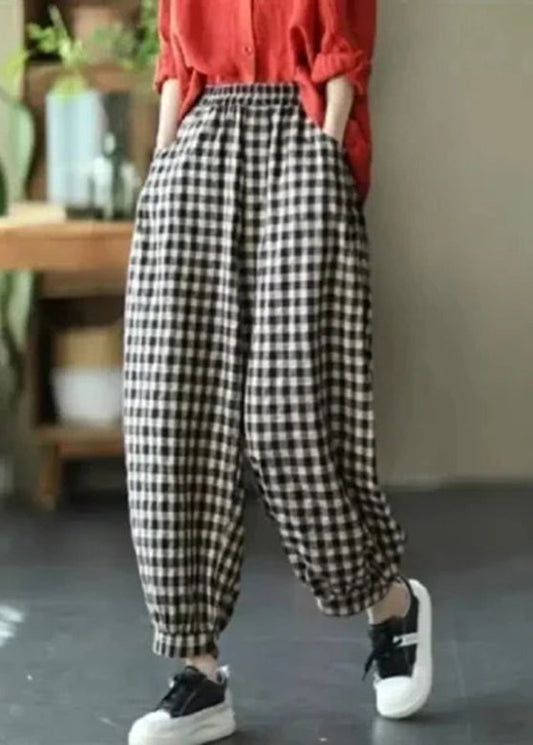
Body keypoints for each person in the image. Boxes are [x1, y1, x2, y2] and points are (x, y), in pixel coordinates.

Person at [122, 1, 433, 743]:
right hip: (197, 142)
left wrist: (327, 149)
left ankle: (390, 602)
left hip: (301, 137)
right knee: (171, 414)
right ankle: (198, 673)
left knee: (286, 414)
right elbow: (176, 60)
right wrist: (162, 166)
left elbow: (343, 47)